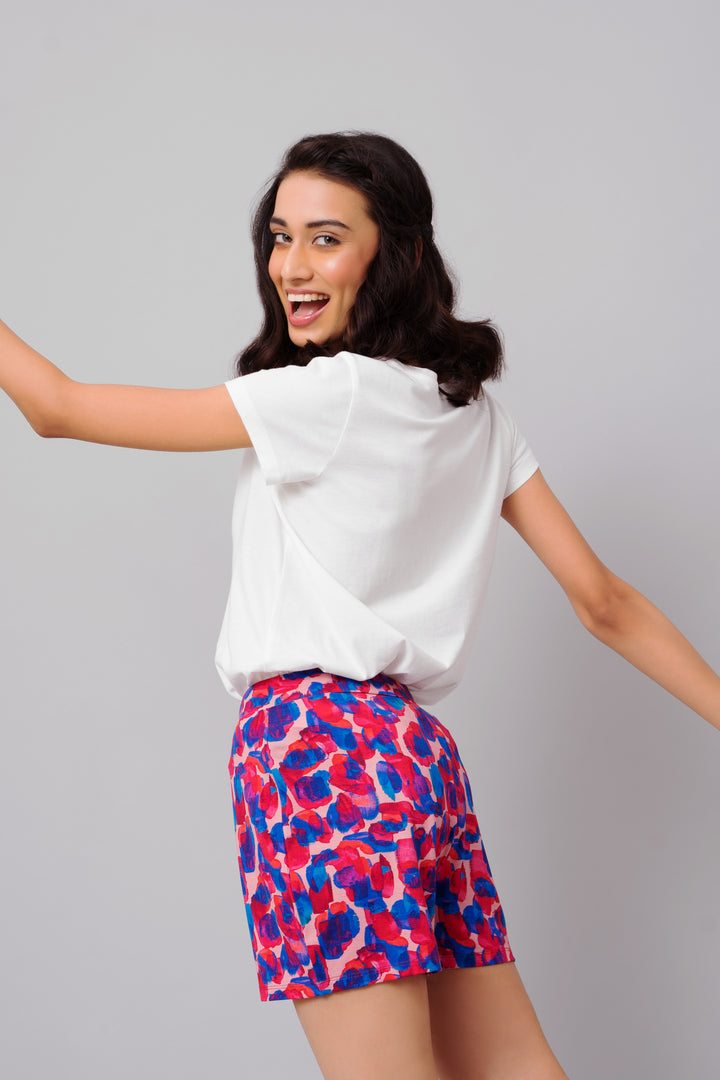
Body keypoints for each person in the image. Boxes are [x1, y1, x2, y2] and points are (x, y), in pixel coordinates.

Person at [1, 131, 718, 1080]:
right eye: (280, 235)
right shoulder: (474, 414)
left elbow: (57, 407)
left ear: (400, 255)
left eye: (327, 239)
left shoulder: (324, 394)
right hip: (417, 760)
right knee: (515, 1067)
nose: (292, 266)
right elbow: (607, 603)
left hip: (315, 757)